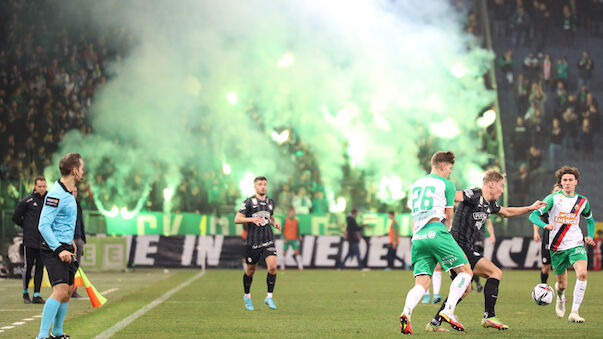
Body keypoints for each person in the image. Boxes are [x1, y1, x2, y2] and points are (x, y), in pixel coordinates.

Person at [427, 170, 546, 332]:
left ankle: (435, 322)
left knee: (464, 289)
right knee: (495, 272)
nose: (502, 190)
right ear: (491, 184)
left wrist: (530, 208)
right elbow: (454, 195)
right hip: (457, 246)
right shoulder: (474, 194)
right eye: (501, 186)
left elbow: (507, 212)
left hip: (461, 248)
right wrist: (432, 193)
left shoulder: (489, 204)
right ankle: (489, 316)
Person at [400, 151, 473, 334]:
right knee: (465, 272)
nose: (450, 171)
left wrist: (417, 236)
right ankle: (448, 310)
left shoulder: (416, 185)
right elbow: (449, 215)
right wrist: (447, 234)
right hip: (436, 230)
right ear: (442, 166)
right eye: (449, 168)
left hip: (417, 236)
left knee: (422, 284)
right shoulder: (446, 184)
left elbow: (413, 215)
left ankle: (406, 313)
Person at [529, 166, 595, 323]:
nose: (567, 183)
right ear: (561, 182)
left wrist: (590, 236)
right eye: (564, 180)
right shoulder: (553, 198)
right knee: (562, 283)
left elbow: (590, 220)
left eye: (570, 180)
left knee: (582, 274)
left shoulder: (582, 201)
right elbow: (533, 215)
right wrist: (544, 225)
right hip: (557, 247)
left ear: (576, 182)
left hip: (576, 243)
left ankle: (574, 311)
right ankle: (560, 297)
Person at [36, 153, 84, 339]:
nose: (83, 171)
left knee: (68, 291)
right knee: (60, 290)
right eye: (81, 168)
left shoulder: (67, 192)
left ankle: (57, 332)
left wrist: (69, 240)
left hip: (65, 246)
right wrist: (59, 248)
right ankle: (41, 336)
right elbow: (43, 225)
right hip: (53, 248)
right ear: (74, 170)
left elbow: (62, 222)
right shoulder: (56, 194)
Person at [234, 176, 281, 311]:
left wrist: (274, 223)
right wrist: (251, 220)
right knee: (250, 271)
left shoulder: (270, 202)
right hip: (253, 241)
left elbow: (270, 216)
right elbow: (237, 219)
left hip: (268, 239)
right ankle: (247, 296)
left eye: (265, 184)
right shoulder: (249, 202)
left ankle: (269, 297)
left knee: (272, 267)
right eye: (260, 184)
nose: (263, 187)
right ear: (255, 186)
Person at [12, 176, 47, 304]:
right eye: (40, 186)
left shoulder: (49, 201)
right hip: (30, 240)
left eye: (44, 186)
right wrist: (27, 227)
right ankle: (25, 292)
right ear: (35, 186)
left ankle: (37, 294)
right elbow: (15, 217)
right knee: (28, 267)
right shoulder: (27, 201)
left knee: (40, 267)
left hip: (43, 240)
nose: (42, 189)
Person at [533, 184, 562, 285]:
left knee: (558, 268)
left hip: (561, 240)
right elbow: (536, 217)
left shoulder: (565, 207)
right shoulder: (547, 205)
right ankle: (542, 288)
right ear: (552, 192)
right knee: (546, 267)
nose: (557, 192)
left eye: (559, 191)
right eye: (556, 190)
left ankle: (561, 293)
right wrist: (536, 232)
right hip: (547, 239)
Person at [71, 186, 86, 299]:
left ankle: (74, 290)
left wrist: (83, 238)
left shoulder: (78, 204)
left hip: (78, 238)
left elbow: (80, 222)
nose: (74, 193)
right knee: (68, 266)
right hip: (69, 239)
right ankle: (66, 290)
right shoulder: (65, 205)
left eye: (75, 191)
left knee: (76, 266)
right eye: (72, 191)